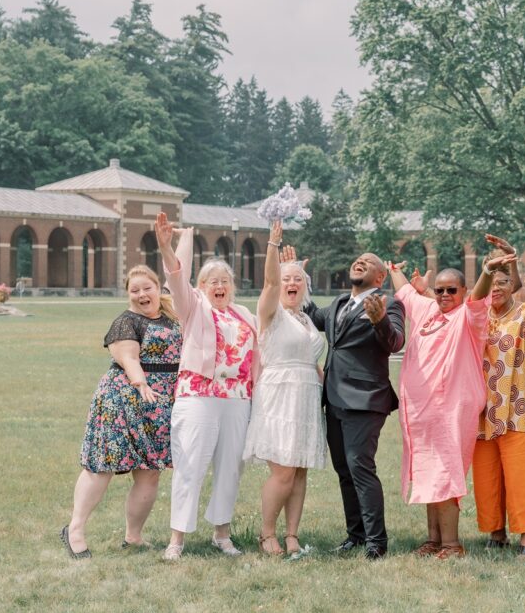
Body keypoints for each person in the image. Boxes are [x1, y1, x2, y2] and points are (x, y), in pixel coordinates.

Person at [389, 245, 517, 559]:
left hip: (453, 410)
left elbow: (479, 297)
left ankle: (451, 544)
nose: (445, 294)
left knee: (445, 473)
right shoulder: (425, 310)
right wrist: (393, 268)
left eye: (451, 290)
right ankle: (434, 540)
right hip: (421, 412)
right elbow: (404, 292)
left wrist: (486, 272)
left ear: (463, 291)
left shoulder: (469, 316)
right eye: (440, 290)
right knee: (428, 473)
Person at [155, 212, 259, 561]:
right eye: (211, 280)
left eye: (224, 280)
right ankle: (177, 539)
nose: (219, 285)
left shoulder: (245, 314)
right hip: (199, 395)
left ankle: (222, 533)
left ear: (232, 285)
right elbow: (175, 278)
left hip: (237, 398)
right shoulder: (193, 307)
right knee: (191, 464)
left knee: (230, 466)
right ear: (200, 286)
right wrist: (168, 248)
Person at [61, 265, 180, 558]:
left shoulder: (171, 317)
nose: (141, 295)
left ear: (157, 287)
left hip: (160, 403)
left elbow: (180, 273)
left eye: (146, 288)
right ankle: (74, 529)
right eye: (134, 290)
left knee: (150, 473)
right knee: (102, 466)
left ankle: (133, 536)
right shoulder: (125, 322)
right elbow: (128, 358)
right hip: (122, 399)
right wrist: (140, 383)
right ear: (128, 295)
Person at [299, 250, 405, 561]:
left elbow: (395, 341)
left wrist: (380, 321)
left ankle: (376, 542)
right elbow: (309, 312)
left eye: (368, 262)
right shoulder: (339, 304)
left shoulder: (389, 303)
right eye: (356, 259)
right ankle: (355, 536)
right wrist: (292, 274)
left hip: (365, 399)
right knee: (344, 469)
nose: (359, 262)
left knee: (360, 467)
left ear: (380, 277)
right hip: (333, 400)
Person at [242, 220, 326, 559]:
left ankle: (292, 535)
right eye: (286, 280)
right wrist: (274, 248)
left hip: (306, 397)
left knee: (300, 467)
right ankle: (267, 533)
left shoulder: (307, 319)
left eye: (298, 281)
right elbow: (271, 281)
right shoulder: (271, 313)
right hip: (279, 396)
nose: (291, 284)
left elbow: (310, 356)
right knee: (283, 470)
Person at [473, 257, 525, 560]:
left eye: (503, 282)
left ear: (513, 286)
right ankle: (496, 532)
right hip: (484, 410)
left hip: (522, 405)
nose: (497, 288)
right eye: (492, 283)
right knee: (487, 475)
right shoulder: (478, 317)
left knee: (522, 476)